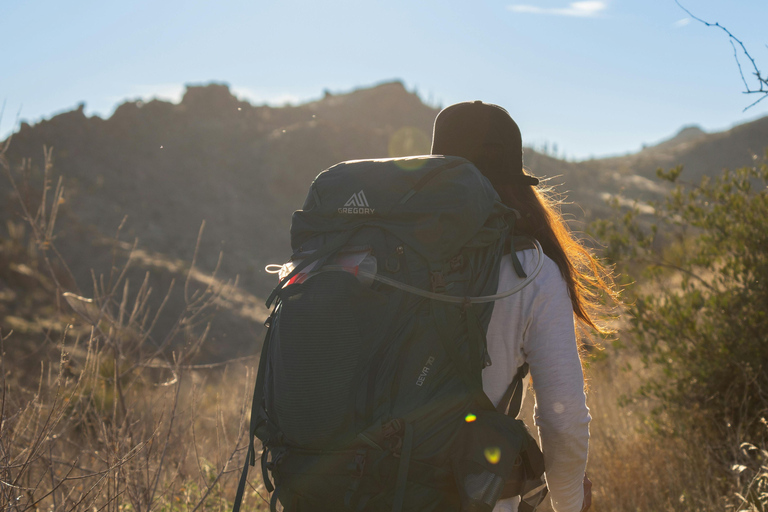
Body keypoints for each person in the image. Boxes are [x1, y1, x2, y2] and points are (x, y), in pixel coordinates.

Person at [430, 101, 616, 512]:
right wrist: (568, 504)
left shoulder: (374, 254)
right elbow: (563, 418)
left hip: (355, 487)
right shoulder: (529, 270)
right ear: (515, 185)